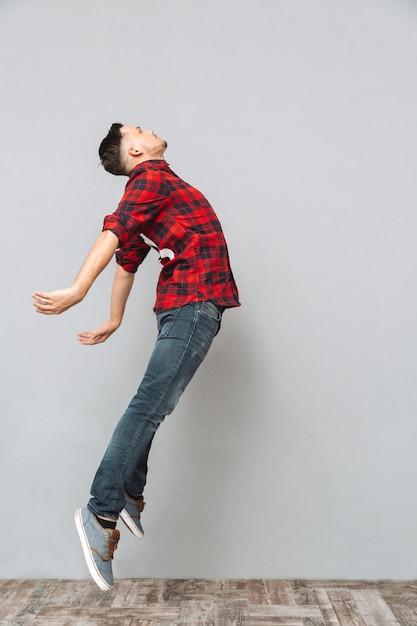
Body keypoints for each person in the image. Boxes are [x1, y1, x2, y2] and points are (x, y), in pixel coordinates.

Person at [32, 123, 240, 591]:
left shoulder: (155, 190)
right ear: (135, 148)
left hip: (187, 306)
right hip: (192, 304)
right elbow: (114, 234)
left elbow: (127, 262)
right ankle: (101, 511)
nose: (150, 128)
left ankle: (129, 491)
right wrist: (79, 289)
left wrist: (114, 318)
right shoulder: (149, 178)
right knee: (151, 405)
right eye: (140, 129)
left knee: (153, 405)